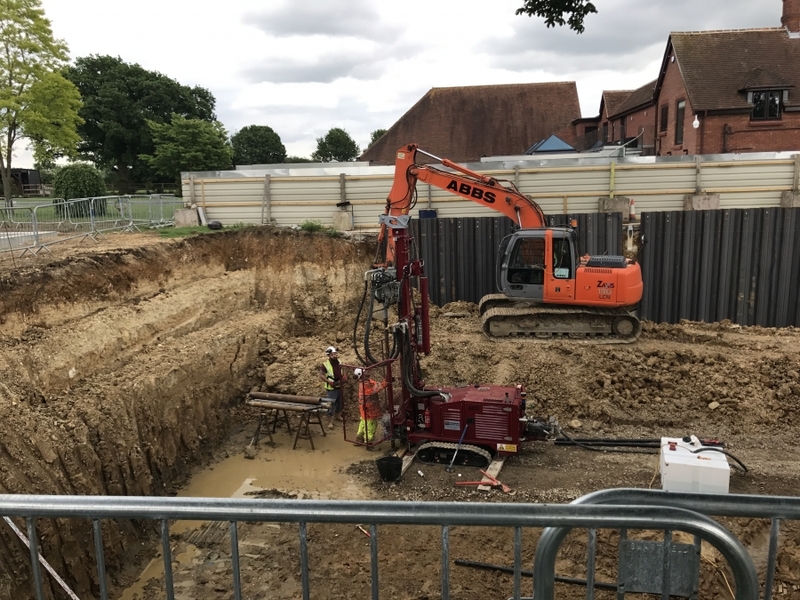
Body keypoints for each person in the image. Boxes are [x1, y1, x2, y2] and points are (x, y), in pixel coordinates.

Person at [353, 368, 389, 447]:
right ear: (361, 375)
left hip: (364, 407)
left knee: (363, 422)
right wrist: (386, 382)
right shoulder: (365, 384)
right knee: (371, 425)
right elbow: (375, 389)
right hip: (369, 408)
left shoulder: (365, 382)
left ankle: (359, 439)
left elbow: (375, 384)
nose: (367, 372)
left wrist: (384, 381)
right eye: (365, 372)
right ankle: (369, 442)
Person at [318, 346, 346, 429]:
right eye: (332, 354)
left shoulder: (339, 361)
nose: (334, 356)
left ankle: (338, 416)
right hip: (332, 387)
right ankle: (330, 422)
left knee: (340, 402)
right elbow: (321, 375)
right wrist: (329, 382)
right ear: (329, 355)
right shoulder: (325, 365)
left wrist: (344, 376)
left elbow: (343, 369)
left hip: (340, 385)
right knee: (331, 404)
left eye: (335, 354)